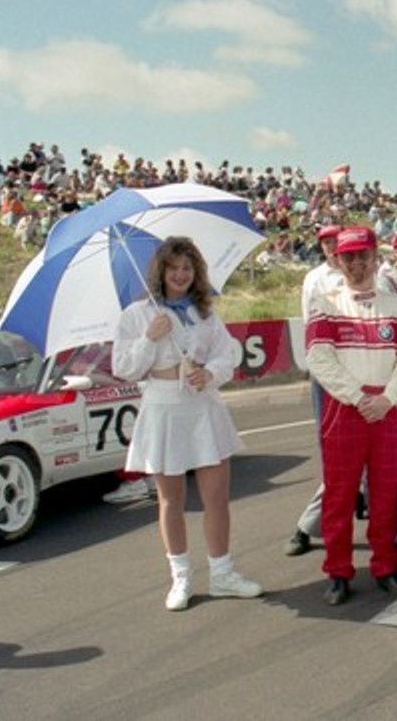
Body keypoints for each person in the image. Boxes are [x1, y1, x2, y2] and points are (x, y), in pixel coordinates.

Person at [112, 236, 262, 611]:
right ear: (160, 271)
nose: (180, 275)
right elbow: (124, 368)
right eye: (173, 267)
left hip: (203, 407)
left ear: (196, 274)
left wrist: (208, 374)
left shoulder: (206, 315)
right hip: (162, 408)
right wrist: (149, 338)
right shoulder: (136, 315)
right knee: (171, 500)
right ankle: (180, 577)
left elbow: (226, 356)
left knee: (217, 499)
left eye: (187, 269)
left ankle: (223, 572)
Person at [306, 226, 397, 605]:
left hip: (387, 408)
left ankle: (385, 567)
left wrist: (387, 398)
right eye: (348, 256)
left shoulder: (395, 304)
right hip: (345, 409)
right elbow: (319, 358)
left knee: (386, 493)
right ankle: (338, 571)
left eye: (363, 255)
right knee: (339, 494)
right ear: (337, 259)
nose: (356, 263)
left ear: (375, 257)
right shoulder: (326, 303)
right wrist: (357, 397)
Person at [284, 223, 346, 557]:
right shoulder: (314, 278)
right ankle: (308, 526)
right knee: (334, 457)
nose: (332, 247)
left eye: (337, 241)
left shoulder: (374, 276)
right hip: (330, 371)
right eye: (326, 243)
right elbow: (313, 326)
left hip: (367, 372)